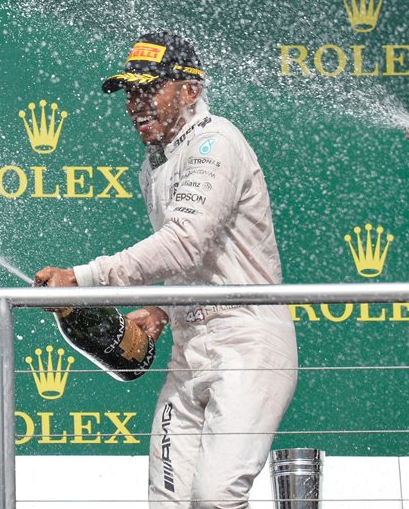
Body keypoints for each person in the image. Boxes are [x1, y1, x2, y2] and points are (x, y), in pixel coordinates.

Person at [35, 32, 297, 509]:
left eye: (149, 88)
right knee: (168, 500)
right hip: (188, 348)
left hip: (247, 342)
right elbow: (192, 260)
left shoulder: (216, 142)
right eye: (129, 92)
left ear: (191, 90)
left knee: (215, 498)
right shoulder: (153, 163)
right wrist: (159, 307)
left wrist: (84, 277)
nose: (136, 103)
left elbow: (183, 242)